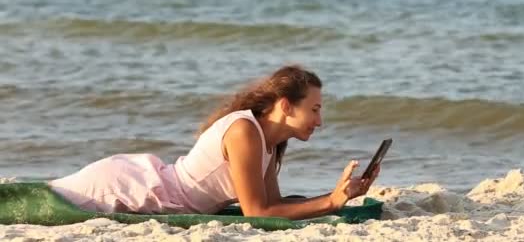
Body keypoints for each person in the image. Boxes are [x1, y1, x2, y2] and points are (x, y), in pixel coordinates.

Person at [48, 65, 380, 220]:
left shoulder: (267, 140)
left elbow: (275, 206)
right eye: (315, 109)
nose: (320, 121)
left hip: (148, 182)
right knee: (48, 199)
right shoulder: (244, 132)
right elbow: (258, 212)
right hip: (131, 188)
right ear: (285, 106)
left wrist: (340, 194)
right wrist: (331, 204)